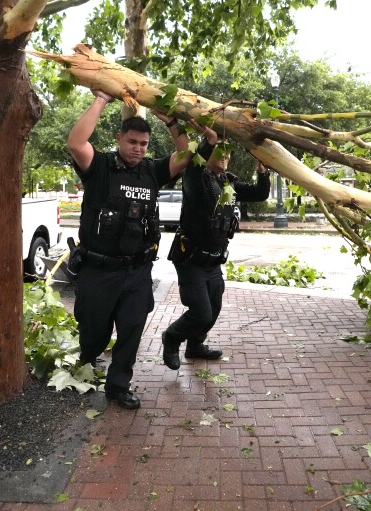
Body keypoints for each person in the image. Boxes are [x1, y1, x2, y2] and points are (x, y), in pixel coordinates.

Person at [68, 90, 191, 409]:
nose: (138, 148)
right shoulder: (100, 167)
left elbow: (186, 155)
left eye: (143, 144)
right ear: (119, 139)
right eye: (132, 142)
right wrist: (101, 100)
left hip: (136, 271)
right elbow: (76, 143)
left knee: (132, 329)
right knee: (94, 332)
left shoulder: (151, 171)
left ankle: (118, 385)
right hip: (98, 270)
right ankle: (88, 356)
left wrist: (172, 122)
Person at [162, 126, 271, 369]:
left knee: (214, 309)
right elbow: (194, 165)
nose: (224, 156)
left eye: (227, 153)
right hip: (191, 260)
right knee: (201, 313)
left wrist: (262, 171)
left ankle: (195, 346)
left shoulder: (227, 184)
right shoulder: (196, 180)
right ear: (208, 156)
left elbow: (260, 194)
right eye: (218, 152)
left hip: (214, 262)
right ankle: (172, 337)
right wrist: (209, 140)